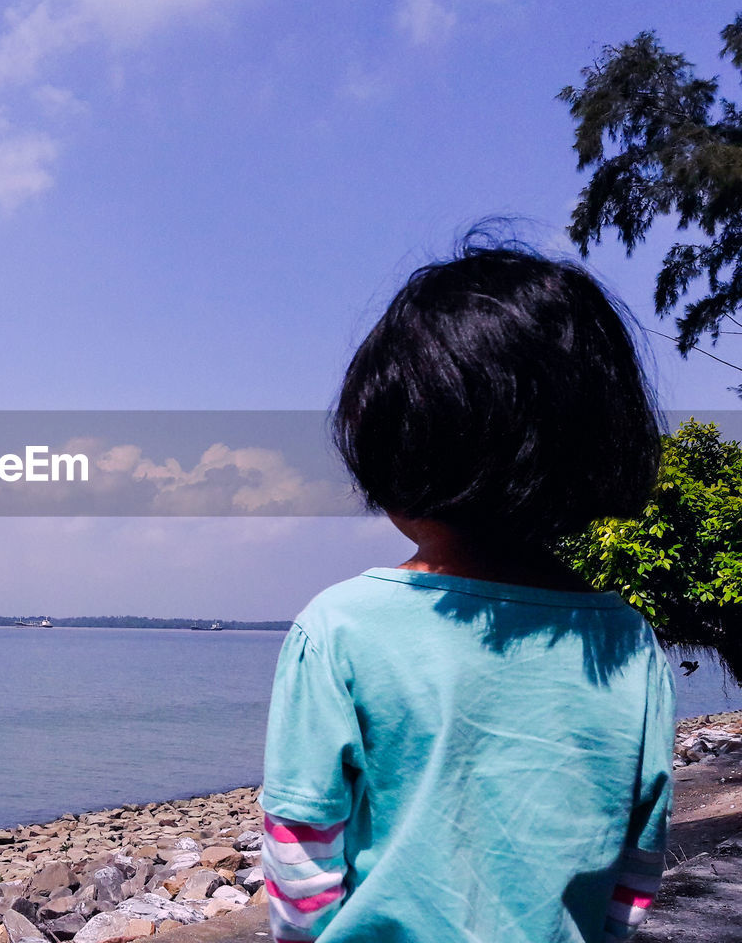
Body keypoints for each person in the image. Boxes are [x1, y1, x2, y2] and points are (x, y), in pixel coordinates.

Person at [260, 239, 675, 943]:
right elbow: (635, 869)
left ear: (399, 449)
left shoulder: (340, 629)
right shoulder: (627, 644)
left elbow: (301, 855)